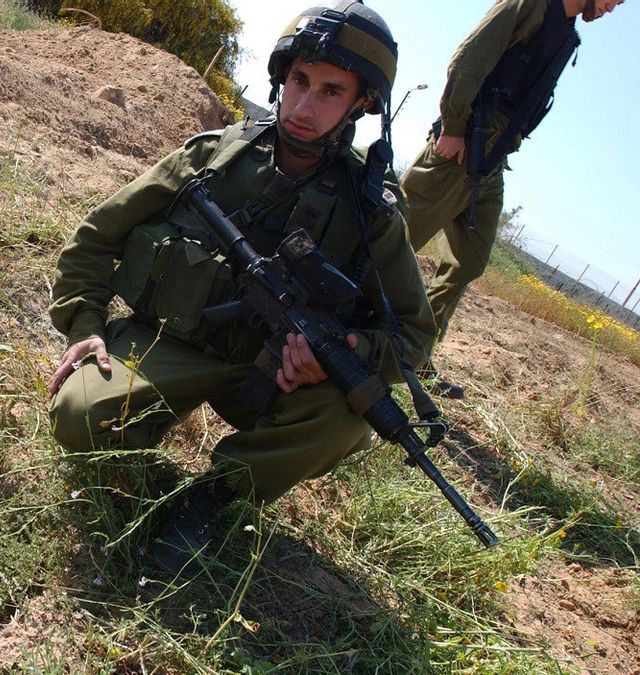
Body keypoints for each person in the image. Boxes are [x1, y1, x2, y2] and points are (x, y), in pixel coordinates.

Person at [46, 1, 434, 575]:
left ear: (362, 103)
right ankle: (146, 435)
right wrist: (86, 325)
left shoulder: (371, 213)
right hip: (167, 347)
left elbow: (413, 337)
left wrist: (342, 358)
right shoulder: (212, 157)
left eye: (330, 91)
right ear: (281, 75)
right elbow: (97, 237)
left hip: (274, 377)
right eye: (299, 80)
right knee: (78, 415)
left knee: (352, 413)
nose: (303, 106)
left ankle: (215, 495)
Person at [401, 0, 625, 399]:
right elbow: (469, 58)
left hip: (493, 157)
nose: (615, 8)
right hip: (463, 144)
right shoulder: (533, 6)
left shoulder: (568, 35)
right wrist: (453, 126)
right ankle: (337, 319)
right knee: (395, 239)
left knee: (469, 260)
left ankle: (412, 353)